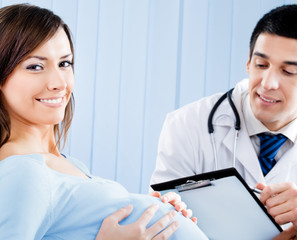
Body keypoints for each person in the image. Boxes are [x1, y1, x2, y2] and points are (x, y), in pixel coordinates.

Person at [0, 4, 208, 240]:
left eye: (64, 63)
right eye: (35, 66)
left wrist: (151, 214)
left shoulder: (68, 165)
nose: (59, 82)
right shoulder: (22, 172)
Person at [150, 4, 297, 239]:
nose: (268, 83)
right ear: (248, 62)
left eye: (289, 71)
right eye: (261, 65)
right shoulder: (188, 125)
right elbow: (160, 222)